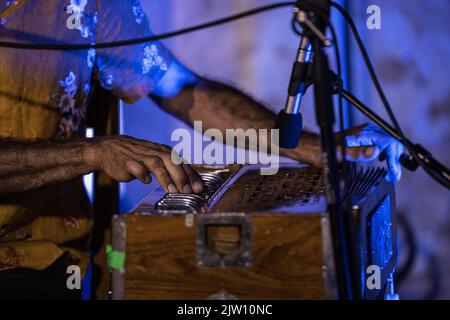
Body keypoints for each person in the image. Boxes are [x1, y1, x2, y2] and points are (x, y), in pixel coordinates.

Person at [0, 0, 404, 299]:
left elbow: (183, 89)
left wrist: (313, 147)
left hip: (44, 260)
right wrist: (90, 152)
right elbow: (95, 152)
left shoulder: (86, 4)